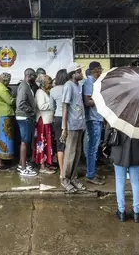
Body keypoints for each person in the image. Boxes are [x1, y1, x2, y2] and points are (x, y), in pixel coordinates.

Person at [60, 63, 87, 193]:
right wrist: (64, 128)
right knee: (70, 153)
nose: (81, 73)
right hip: (71, 126)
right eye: (79, 71)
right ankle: (65, 179)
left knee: (77, 153)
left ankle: (73, 178)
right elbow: (65, 107)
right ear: (73, 74)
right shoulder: (68, 86)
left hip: (80, 125)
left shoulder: (78, 86)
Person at [110, 129, 139, 223]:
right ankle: (136, 213)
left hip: (119, 152)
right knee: (136, 182)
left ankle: (121, 212)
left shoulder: (117, 114)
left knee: (120, 181)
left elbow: (108, 134)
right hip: (137, 151)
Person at [81, 61, 105, 185]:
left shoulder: (95, 83)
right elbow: (87, 101)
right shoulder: (89, 82)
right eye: (100, 70)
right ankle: (90, 175)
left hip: (97, 118)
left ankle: (92, 173)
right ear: (96, 70)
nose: (101, 72)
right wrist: (101, 100)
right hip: (93, 119)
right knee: (92, 149)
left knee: (94, 148)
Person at [16, 68, 38, 177]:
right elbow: (20, 104)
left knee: (26, 141)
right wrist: (32, 110)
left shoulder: (27, 85)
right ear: (29, 76)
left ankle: (22, 164)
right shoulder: (24, 86)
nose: (35, 79)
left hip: (26, 117)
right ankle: (23, 169)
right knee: (24, 142)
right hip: (24, 117)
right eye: (34, 76)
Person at [34, 74, 56, 174]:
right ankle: (42, 166)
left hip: (47, 121)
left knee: (48, 143)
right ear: (43, 84)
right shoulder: (39, 93)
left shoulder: (45, 92)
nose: (51, 85)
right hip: (43, 121)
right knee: (42, 143)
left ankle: (47, 164)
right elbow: (41, 106)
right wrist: (52, 103)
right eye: (49, 83)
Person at [49, 70, 68, 180]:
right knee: (70, 145)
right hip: (69, 119)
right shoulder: (70, 87)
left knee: (60, 145)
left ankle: (62, 172)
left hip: (58, 119)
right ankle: (70, 171)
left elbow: (52, 107)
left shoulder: (53, 90)